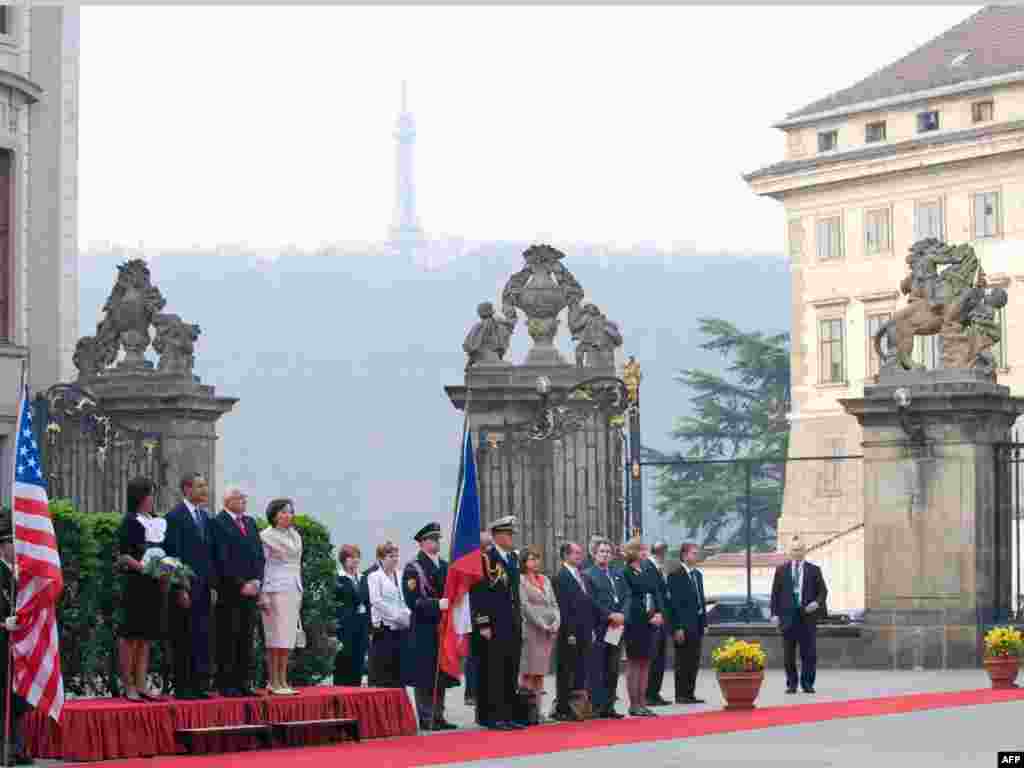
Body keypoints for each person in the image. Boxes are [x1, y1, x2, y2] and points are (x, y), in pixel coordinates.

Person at [469, 516, 529, 731]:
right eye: (508, 534)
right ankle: (493, 716)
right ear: (496, 536)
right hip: (493, 624)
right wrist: (483, 623)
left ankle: (508, 714)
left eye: (512, 534)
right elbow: (479, 594)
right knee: (494, 671)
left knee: (510, 670)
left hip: (511, 622)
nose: (512, 538)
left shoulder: (512, 559)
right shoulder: (486, 559)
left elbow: (514, 593)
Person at [163, 472, 215, 700]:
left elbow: (209, 555)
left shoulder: (205, 517)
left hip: (203, 587)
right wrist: (180, 587)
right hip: (185, 586)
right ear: (186, 489)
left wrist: (212, 585)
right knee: (183, 636)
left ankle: (199, 684)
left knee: (201, 635)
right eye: (200, 486)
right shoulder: (175, 516)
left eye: (205, 486)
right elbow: (173, 556)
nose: (204, 490)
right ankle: (183, 687)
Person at [401, 522, 458, 731]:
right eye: (431, 539)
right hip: (424, 628)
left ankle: (439, 715)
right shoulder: (413, 567)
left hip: (442, 627)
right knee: (425, 674)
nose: (436, 542)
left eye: (437, 539)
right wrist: (436, 604)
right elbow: (412, 601)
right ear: (422, 543)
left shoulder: (444, 566)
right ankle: (427, 717)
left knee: (440, 672)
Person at [210, 486, 266, 697]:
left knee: (246, 637)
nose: (244, 501)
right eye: (239, 498)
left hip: (251, 590)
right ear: (228, 501)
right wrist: (240, 583)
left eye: (244, 497)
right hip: (230, 590)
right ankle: (227, 683)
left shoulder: (250, 523)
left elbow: (258, 555)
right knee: (228, 636)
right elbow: (222, 558)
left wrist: (257, 582)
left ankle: (244, 682)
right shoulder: (218, 523)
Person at [116, 476, 167, 702]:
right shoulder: (129, 521)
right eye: (149, 494)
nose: (152, 499)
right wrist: (144, 568)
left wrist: (166, 569)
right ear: (139, 497)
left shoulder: (158, 521)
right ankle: (128, 685)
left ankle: (141, 682)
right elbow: (124, 555)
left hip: (154, 584)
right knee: (131, 635)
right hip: (136, 583)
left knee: (146, 636)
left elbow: (164, 552)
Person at [551, 541, 608, 721]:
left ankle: (576, 707)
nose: (580, 556)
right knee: (566, 670)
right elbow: (563, 608)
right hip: (570, 632)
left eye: (580, 553)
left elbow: (588, 603)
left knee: (579, 670)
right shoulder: (561, 577)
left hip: (585, 630)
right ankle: (562, 708)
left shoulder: (582, 576)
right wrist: (569, 633)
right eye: (576, 553)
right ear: (566, 555)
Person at [770, 537, 828, 694]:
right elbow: (775, 594)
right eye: (794, 550)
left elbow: (823, 591)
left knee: (809, 653)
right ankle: (792, 684)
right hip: (788, 618)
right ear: (790, 552)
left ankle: (807, 683)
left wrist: (816, 603)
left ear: (805, 551)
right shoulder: (781, 570)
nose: (797, 553)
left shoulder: (814, 570)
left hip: (807, 617)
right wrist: (774, 614)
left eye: (800, 550)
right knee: (788, 654)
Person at [258, 498, 303, 695]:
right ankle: (273, 680)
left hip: (293, 588)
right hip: (274, 588)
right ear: (274, 515)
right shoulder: (266, 535)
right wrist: (264, 593)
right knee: (274, 636)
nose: (288, 516)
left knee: (287, 637)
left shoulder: (295, 535)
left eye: (290, 512)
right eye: (283, 512)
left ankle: (283, 679)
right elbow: (264, 565)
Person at [0, 508, 34, 766]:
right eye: (12, 542)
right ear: (3, 546)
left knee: (20, 697)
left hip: (21, 644)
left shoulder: (19, 572)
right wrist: (3, 624)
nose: (16, 546)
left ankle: (19, 747)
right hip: (3, 643)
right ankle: (6, 749)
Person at [583, 538, 627, 719]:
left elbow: (627, 596)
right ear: (594, 554)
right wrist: (609, 615)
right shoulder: (588, 575)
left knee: (613, 667)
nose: (606, 555)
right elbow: (591, 601)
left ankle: (609, 706)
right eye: (602, 551)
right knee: (597, 667)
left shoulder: (618, 573)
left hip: (616, 627)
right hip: (600, 626)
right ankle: (597, 706)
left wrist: (623, 614)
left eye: (608, 552)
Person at [621, 537, 664, 717]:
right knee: (634, 663)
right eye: (641, 550)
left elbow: (656, 592)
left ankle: (643, 702)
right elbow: (630, 598)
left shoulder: (647, 570)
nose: (645, 553)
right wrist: (647, 616)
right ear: (633, 552)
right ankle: (634, 704)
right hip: (635, 622)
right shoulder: (626, 572)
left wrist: (659, 613)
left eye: (645, 550)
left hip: (650, 622)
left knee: (646, 662)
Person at [518, 545, 559, 721]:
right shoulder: (520, 580)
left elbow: (554, 604)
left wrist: (556, 621)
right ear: (524, 562)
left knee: (540, 673)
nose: (535, 562)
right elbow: (525, 606)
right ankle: (527, 711)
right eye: (531, 559)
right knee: (528, 672)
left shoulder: (545, 579)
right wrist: (542, 623)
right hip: (532, 630)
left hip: (547, 633)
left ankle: (539, 711)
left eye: (537, 558)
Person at [667, 542, 707, 704]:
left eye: (697, 553)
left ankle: (690, 693)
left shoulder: (697, 575)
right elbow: (673, 604)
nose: (696, 556)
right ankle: (681, 694)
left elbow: (701, 600)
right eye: (694, 553)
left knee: (694, 660)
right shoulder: (675, 574)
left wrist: (704, 622)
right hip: (683, 625)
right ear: (684, 555)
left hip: (696, 623)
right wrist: (677, 628)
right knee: (682, 660)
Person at [366, 541, 410, 688]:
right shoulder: (374, 576)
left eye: (397, 556)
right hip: (384, 629)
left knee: (399, 673)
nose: (395, 559)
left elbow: (405, 598)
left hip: (401, 629)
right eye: (391, 556)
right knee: (383, 673)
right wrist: (396, 616)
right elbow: (376, 601)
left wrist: (406, 615)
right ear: (381, 558)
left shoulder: (401, 574)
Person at [333, 544, 370, 686]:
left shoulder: (363, 578)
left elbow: (367, 603)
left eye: (356, 557)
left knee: (358, 668)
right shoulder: (338, 579)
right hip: (344, 631)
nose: (354, 560)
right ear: (343, 560)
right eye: (351, 557)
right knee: (343, 669)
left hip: (361, 630)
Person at [463, 530, 491, 707]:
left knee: (481, 657)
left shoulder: (486, 560)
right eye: (487, 544)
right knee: (474, 657)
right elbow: (478, 595)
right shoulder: (475, 562)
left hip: (484, 616)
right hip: (475, 616)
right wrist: (482, 622)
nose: (490, 547)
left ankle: (479, 691)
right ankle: (472, 693)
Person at [644, 541, 672, 707]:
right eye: (663, 552)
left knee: (660, 658)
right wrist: (653, 614)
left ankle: (655, 692)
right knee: (653, 658)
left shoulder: (660, 568)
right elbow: (650, 594)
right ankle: (649, 693)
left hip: (663, 618)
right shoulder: (648, 567)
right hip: (654, 619)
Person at [360, 544, 386, 686]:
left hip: (391, 624)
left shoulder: (394, 573)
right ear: (379, 557)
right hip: (374, 624)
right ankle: (374, 686)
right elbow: (366, 600)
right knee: (375, 658)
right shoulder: (369, 574)